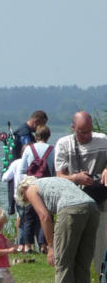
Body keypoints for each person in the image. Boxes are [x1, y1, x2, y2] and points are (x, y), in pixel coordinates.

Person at [17, 176, 100, 283]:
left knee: (63, 265)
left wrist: (50, 247)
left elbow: (44, 217)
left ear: (23, 191)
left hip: (70, 210)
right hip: (92, 208)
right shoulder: (53, 181)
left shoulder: (30, 189)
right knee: (82, 264)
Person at [54, 111, 107, 273]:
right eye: (81, 132)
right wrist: (76, 178)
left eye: (89, 131)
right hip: (74, 201)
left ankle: (101, 278)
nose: (86, 135)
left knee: (101, 244)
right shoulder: (64, 144)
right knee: (74, 246)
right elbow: (59, 176)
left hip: (101, 200)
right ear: (73, 128)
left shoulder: (103, 140)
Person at [5, 110, 48, 214]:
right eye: (42, 125)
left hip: (14, 171)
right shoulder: (25, 135)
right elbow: (31, 153)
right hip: (24, 175)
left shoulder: (19, 131)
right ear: (36, 122)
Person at [19, 124, 54, 253]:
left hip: (31, 185)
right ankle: (43, 245)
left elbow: (23, 169)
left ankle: (27, 245)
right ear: (48, 136)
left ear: (36, 135)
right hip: (47, 185)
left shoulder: (29, 149)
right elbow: (55, 171)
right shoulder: (52, 149)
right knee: (45, 215)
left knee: (29, 217)